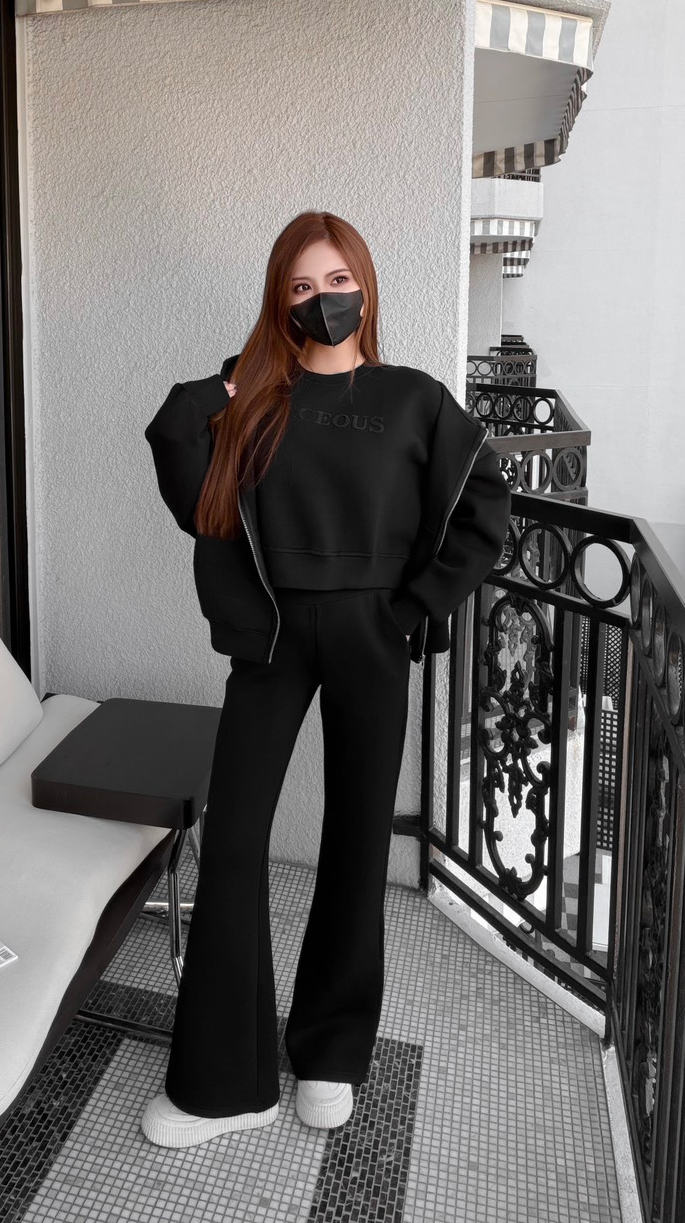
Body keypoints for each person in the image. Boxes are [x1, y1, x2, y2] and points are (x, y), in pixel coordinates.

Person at [140, 210, 511, 1149]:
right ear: (279, 300)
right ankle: (227, 1085)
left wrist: (413, 606)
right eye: (301, 286)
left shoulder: (413, 398)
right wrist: (231, 379)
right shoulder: (252, 404)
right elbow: (179, 458)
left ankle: (331, 1054)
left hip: (372, 633)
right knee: (232, 843)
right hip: (271, 637)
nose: (323, 300)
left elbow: (484, 504)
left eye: (337, 280)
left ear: (365, 286)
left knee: (355, 843)